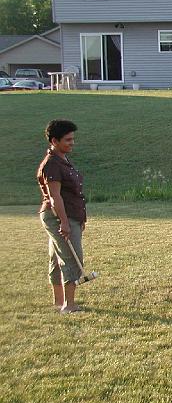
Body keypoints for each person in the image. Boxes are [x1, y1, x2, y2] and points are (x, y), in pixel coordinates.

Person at [37, 119, 87, 313]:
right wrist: (64, 222)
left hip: (68, 215)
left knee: (57, 257)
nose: (72, 143)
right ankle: (69, 305)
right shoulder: (52, 164)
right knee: (71, 258)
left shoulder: (62, 160)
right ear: (54, 141)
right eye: (67, 140)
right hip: (58, 216)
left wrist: (79, 219)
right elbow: (54, 196)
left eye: (73, 139)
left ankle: (59, 301)